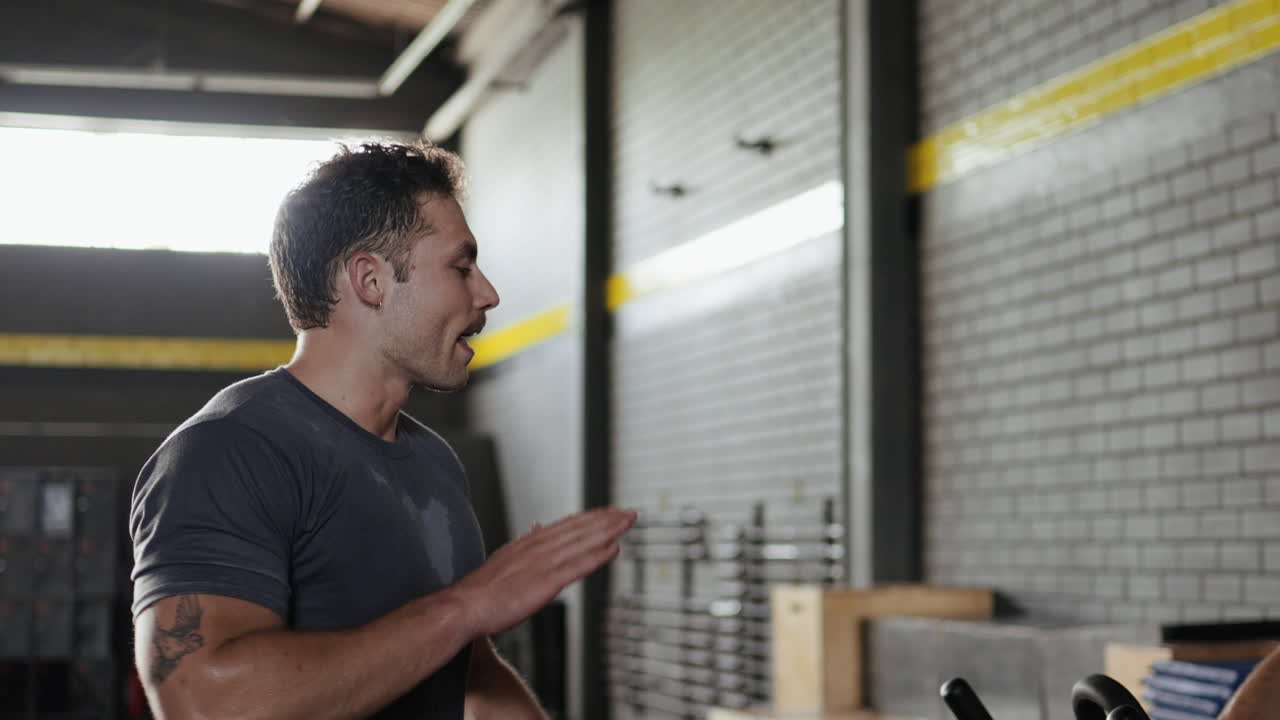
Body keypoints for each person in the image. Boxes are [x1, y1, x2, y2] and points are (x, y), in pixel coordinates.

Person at [129, 141, 635, 719]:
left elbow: (468, 674)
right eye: (461, 267)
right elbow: (205, 702)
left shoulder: (433, 463)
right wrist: (465, 607)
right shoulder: (229, 450)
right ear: (370, 280)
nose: (487, 294)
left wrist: (464, 619)